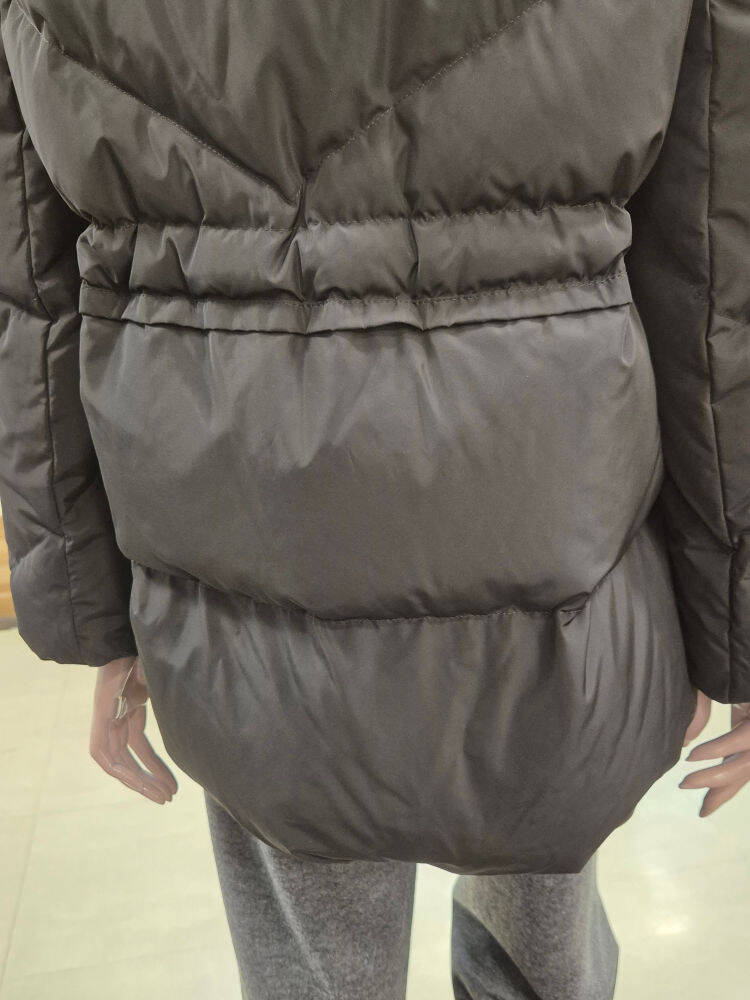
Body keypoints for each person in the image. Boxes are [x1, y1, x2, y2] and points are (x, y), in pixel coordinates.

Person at [0, 2, 748, 998]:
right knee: (543, 952)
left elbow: (32, 278)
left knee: (316, 969)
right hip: (545, 545)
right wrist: (732, 619)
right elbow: (713, 278)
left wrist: (92, 612)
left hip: (241, 551)